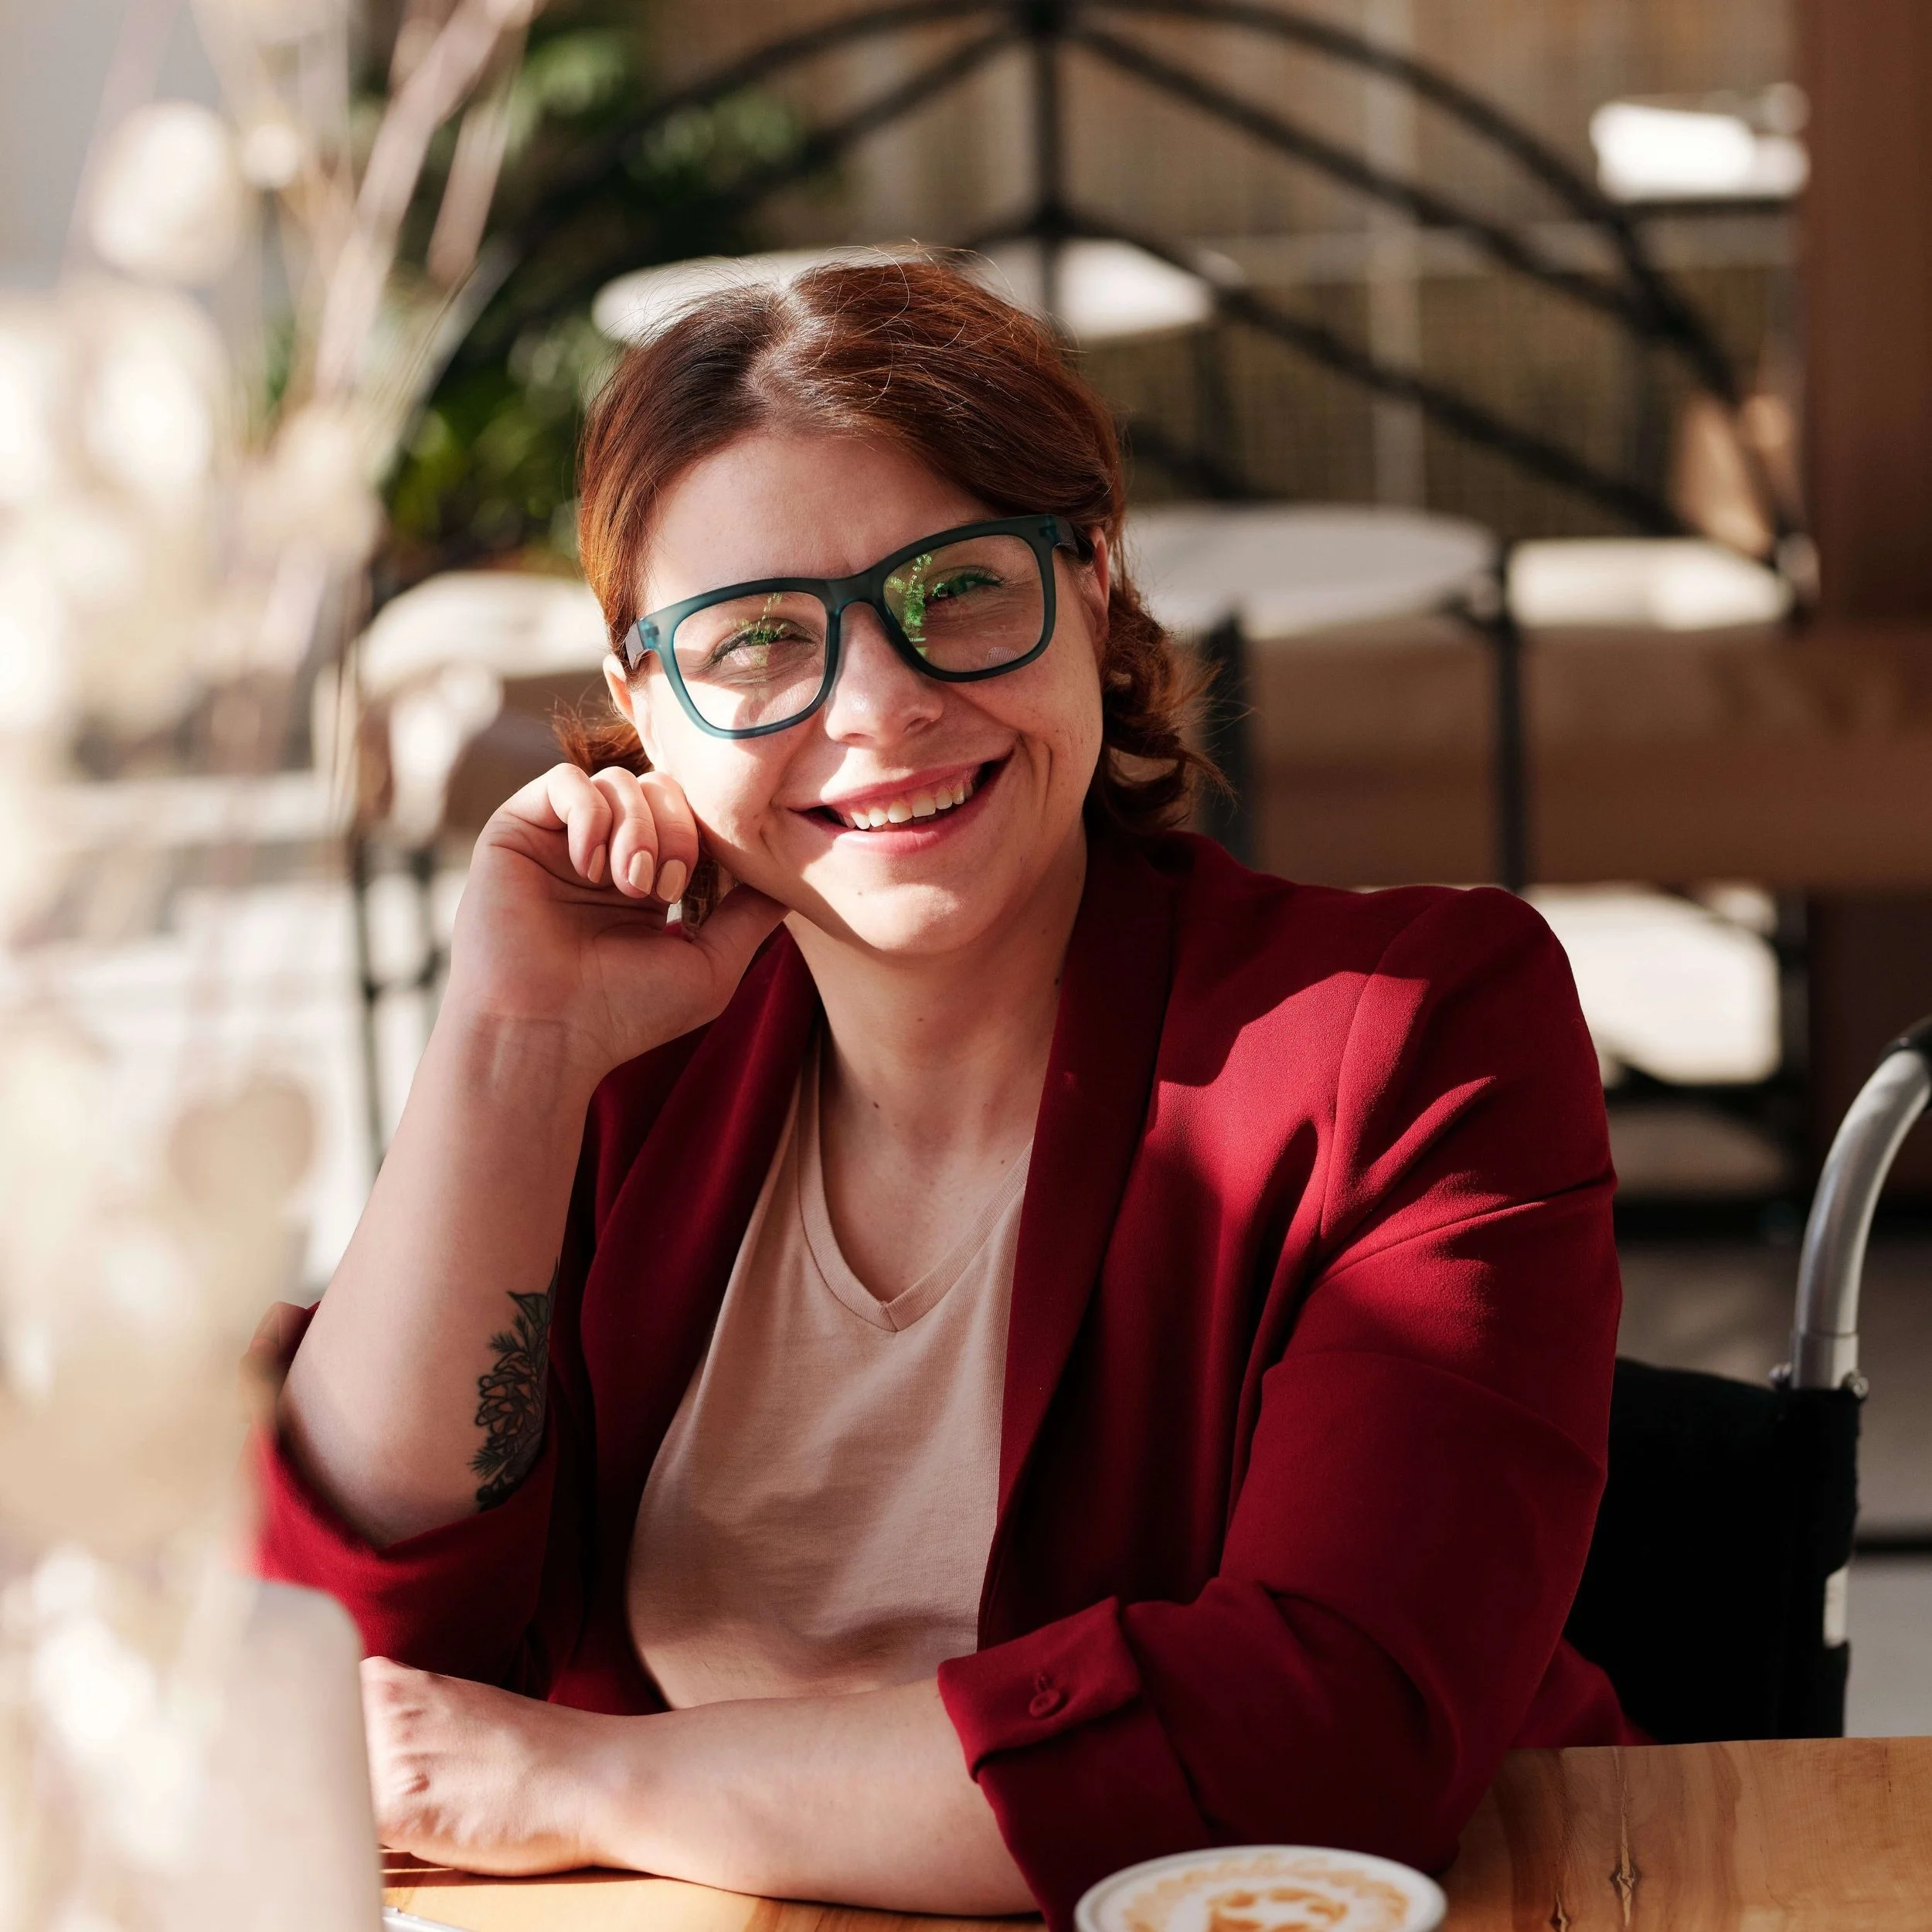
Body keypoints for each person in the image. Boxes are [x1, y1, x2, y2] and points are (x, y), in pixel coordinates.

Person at [257, 259, 1636, 1929]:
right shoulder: (618, 1062)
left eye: (957, 589)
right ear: (642, 710)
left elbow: (1329, 1735)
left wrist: (562, 1777)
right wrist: (505, 1048)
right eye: (753, 639)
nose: (878, 703)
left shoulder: (1414, 1026)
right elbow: (340, 1667)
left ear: (1093, 584)